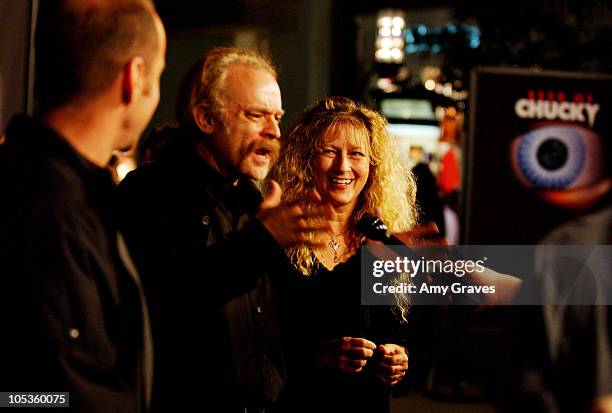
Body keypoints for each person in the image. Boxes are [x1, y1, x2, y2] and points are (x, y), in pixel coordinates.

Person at [116, 47, 330, 412]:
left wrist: (382, 266)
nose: (274, 131)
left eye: (277, 117)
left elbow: (294, 307)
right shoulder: (150, 193)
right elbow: (169, 299)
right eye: (257, 115)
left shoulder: (251, 199)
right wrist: (262, 242)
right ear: (205, 118)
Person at [0, 0, 166, 411]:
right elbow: (33, 397)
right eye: (159, 74)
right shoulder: (52, 207)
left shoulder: (67, 189)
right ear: (135, 76)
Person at [271, 96, 417, 412]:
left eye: (356, 154)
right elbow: (254, 342)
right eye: (329, 151)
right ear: (304, 159)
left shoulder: (385, 241)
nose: (343, 166)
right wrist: (316, 355)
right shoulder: (277, 235)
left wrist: (399, 360)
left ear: (372, 164)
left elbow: (405, 333)